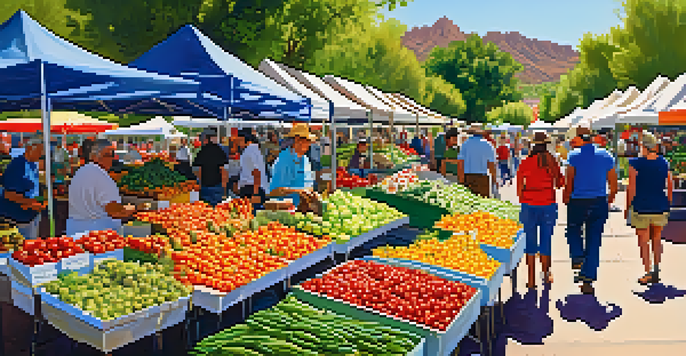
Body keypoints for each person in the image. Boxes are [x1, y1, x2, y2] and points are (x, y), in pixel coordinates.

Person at [563, 126, 618, 295]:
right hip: (599, 200)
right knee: (594, 239)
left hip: (578, 200)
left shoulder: (573, 156)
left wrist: (566, 197)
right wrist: (610, 198)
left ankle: (578, 256)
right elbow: (613, 182)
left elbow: (569, 180)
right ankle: (588, 274)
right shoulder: (606, 156)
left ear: (580, 138)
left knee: (573, 229)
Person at [517, 132, 565, 289]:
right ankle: (545, 273)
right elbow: (559, 183)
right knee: (546, 239)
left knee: (530, 242)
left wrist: (525, 198)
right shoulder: (551, 161)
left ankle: (531, 280)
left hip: (528, 205)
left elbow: (519, 188)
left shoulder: (526, 161)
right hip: (547, 204)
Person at [626, 132, 673, 285]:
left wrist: (627, 207)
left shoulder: (635, 164)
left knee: (643, 241)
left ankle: (648, 272)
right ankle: (657, 268)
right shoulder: (663, 162)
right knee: (657, 239)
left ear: (644, 147)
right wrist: (668, 202)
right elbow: (670, 185)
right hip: (660, 205)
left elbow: (631, 188)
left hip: (641, 206)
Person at [67, 139, 137, 236]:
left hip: (75, 230)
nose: (112, 159)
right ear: (95, 157)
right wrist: (133, 208)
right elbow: (115, 211)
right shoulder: (100, 176)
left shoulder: (80, 172)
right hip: (97, 235)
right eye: (109, 155)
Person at [0, 138, 45, 239]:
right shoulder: (17, 166)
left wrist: (37, 202)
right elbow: (9, 194)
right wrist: (29, 203)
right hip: (17, 218)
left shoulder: (33, 164)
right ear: (29, 148)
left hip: (29, 216)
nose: (41, 154)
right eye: (39, 150)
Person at [269, 123, 316, 207]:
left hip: (303, 209)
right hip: (286, 209)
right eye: (307, 141)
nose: (309, 144)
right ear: (297, 140)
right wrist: (299, 191)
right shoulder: (283, 160)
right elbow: (274, 191)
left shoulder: (305, 159)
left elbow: (309, 184)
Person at [456, 124, 497, 198]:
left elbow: (460, 163)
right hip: (483, 178)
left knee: (469, 201)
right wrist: (494, 179)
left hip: (468, 177)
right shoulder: (488, 145)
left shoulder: (465, 145)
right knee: (483, 202)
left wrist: (461, 180)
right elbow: (491, 165)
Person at [193, 130, 228, 206]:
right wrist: (224, 187)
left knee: (206, 209)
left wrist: (200, 184)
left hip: (205, 185)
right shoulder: (220, 151)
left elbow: (198, 170)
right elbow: (223, 170)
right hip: (217, 185)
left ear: (206, 139)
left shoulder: (202, 151)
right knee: (218, 210)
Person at [237, 129, 268, 209]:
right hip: (252, 188)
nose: (238, 143)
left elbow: (256, 172)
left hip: (251, 189)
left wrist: (255, 193)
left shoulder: (250, 151)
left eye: (240, 140)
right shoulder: (254, 150)